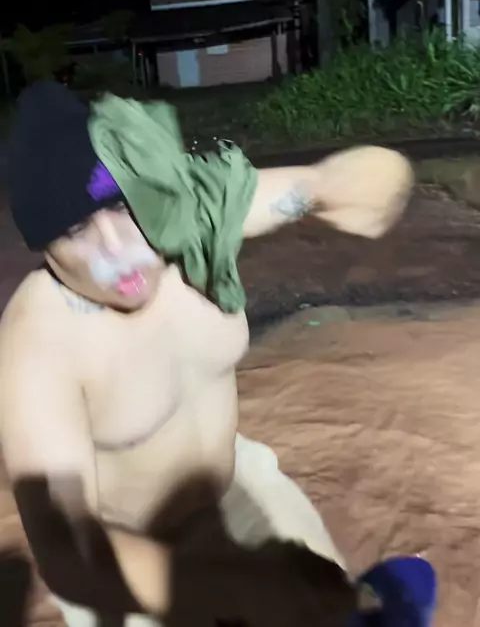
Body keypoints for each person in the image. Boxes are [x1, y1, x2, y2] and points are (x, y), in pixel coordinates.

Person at [0, 82, 413, 627]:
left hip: (235, 491)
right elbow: (69, 551)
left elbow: (358, 183)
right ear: (44, 246)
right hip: (126, 559)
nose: (116, 250)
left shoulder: (195, 222)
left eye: (123, 206)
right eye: (75, 230)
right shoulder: (38, 341)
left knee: (332, 607)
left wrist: (357, 183)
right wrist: (236, 592)